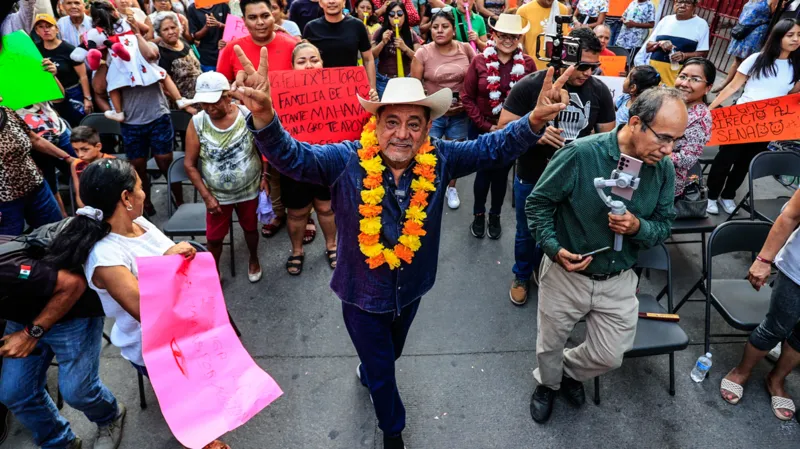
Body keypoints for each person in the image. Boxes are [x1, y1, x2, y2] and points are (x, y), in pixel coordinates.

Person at [231, 41, 572, 449]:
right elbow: (294, 158)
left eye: (414, 123)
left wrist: (533, 121)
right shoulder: (346, 159)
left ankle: (372, 370)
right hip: (361, 292)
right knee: (382, 370)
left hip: (411, 289)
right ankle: (393, 429)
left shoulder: (441, 157)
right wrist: (266, 119)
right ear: (376, 125)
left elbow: (491, 147)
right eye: (392, 122)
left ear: (428, 129)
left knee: (389, 354)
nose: (402, 134)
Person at [44, 159, 232, 449]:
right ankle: (201, 438)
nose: (145, 193)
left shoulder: (138, 221)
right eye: (141, 187)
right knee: (185, 397)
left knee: (198, 385)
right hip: (157, 348)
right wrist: (170, 257)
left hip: (185, 327)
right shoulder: (106, 258)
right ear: (125, 197)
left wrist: (173, 256)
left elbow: (167, 258)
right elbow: (149, 312)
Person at [526, 87, 682, 424]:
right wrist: (554, 249)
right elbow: (538, 204)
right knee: (549, 343)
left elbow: (665, 225)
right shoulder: (580, 154)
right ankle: (548, 384)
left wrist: (638, 227)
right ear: (637, 122)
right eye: (665, 138)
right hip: (566, 274)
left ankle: (566, 374)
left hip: (619, 279)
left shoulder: (663, 169)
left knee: (610, 355)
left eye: (676, 140)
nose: (670, 149)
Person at [499, 25, 615, 305]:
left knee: (563, 230)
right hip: (532, 175)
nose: (588, 73)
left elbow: (608, 137)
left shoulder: (599, 90)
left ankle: (547, 272)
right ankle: (522, 274)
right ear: (564, 57)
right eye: (583, 66)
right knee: (527, 231)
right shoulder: (529, 85)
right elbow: (501, 128)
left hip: (577, 179)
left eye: (594, 67)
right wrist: (534, 132)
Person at [0, 221, 124, 449]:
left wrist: (30, 335)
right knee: (15, 393)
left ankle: (110, 416)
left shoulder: (5, 266)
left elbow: (73, 284)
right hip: (22, 317)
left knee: (78, 391)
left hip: (70, 311)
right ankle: (60, 442)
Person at [719, 187, 800, 422]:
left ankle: (776, 379)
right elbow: (790, 215)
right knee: (777, 326)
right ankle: (741, 371)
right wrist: (764, 259)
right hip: (797, 272)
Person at [707, 18, 800, 215]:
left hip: (767, 123)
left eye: (799, 35)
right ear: (778, 36)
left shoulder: (796, 66)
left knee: (745, 163)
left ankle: (728, 196)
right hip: (742, 117)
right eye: (790, 35)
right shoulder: (757, 59)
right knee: (725, 159)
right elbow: (733, 86)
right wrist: (711, 109)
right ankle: (711, 196)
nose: (795, 39)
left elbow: (791, 95)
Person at [183, 72, 265, 282]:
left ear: (227, 96)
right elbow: (189, 164)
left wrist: (265, 176)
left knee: (250, 228)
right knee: (214, 237)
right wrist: (206, 196)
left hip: (249, 189)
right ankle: (214, 270)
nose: (209, 108)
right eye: (204, 103)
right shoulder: (198, 122)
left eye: (214, 102)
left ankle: (253, 259)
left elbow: (264, 148)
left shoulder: (247, 114)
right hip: (217, 194)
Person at [462, 14, 536, 239]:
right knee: (483, 173)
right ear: (494, 35)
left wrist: (513, 127)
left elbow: (532, 101)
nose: (507, 40)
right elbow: (467, 97)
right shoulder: (480, 61)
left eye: (513, 36)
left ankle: (495, 215)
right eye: (503, 35)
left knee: (501, 175)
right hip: (482, 128)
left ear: (519, 38)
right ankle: (478, 214)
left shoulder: (528, 64)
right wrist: (486, 126)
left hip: (511, 131)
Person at [279, 42, 345, 275]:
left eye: (314, 60)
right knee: (297, 212)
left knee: (327, 209)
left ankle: (332, 246)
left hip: (327, 163)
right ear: (292, 66)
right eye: (302, 61)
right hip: (294, 165)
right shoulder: (280, 93)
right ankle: (297, 251)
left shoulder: (340, 89)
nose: (309, 66)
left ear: (322, 62)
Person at [412, 10, 476, 209]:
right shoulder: (422, 53)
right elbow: (413, 85)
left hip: (460, 115)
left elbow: (478, 76)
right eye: (435, 27)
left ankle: (451, 187)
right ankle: (428, 187)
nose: (439, 30)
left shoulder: (465, 49)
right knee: (428, 152)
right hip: (434, 115)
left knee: (454, 154)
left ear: (454, 30)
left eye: (445, 26)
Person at [303, 0, 378, 89]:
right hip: (319, 90)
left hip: (350, 88)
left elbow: (368, 59)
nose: (331, 1)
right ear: (320, 3)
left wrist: (372, 88)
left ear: (344, 2)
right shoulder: (311, 28)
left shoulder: (357, 25)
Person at [34, 13, 92, 127]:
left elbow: (83, 76)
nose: (46, 30)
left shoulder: (68, 49)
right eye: (41, 27)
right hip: (50, 95)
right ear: (36, 31)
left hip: (72, 92)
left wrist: (87, 98)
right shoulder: (35, 50)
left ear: (57, 29)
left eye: (49, 26)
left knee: (80, 125)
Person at [217, 0, 297, 81]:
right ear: (244, 21)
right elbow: (222, 87)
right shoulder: (231, 49)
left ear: (272, 16)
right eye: (252, 18)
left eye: (265, 16)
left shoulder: (294, 46)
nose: (260, 22)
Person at [713, 0, 779, 94]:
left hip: (756, 32)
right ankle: (726, 82)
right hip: (743, 30)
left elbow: (773, 15)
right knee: (737, 59)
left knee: (747, 62)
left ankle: (733, 87)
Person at [672, 58, 714, 197]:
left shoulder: (700, 118)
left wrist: (653, 151)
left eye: (695, 79)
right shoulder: (671, 103)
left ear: (708, 88)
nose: (684, 84)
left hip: (666, 180)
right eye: (682, 77)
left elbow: (687, 159)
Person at [644, 0, 709, 86]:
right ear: (674, 4)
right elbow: (648, 48)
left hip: (676, 79)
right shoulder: (665, 20)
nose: (682, 5)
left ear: (694, 6)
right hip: (653, 77)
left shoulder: (701, 24)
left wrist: (684, 55)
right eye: (679, 2)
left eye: (687, 3)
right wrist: (660, 43)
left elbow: (703, 53)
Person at [371, 1, 422, 97]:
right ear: (387, 17)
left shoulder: (411, 34)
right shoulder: (379, 32)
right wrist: (382, 43)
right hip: (384, 81)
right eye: (391, 14)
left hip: (406, 80)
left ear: (404, 16)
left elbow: (419, 59)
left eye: (399, 13)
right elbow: (371, 56)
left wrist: (405, 48)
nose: (396, 16)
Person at [154, 10, 203, 106]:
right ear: (159, 33)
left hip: (200, 98)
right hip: (185, 105)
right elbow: (165, 87)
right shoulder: (162, 54)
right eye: (165, 29)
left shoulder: (183, 41)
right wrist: (185, 106)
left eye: (173, 27)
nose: (171, 32)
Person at [70, 126, 116, 208]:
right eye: (76, 150)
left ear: (98, 146)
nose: (80, 155)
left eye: (85, 150)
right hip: (88, 208)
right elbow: (79, 194)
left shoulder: (113, 163)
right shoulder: (76, 165)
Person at [516, 0, 569, 71]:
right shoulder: (524, 10)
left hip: (555, 68)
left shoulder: (563, 9)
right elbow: (519, 43)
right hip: (532, 68)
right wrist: (527, 64)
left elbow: (564, 38)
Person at [187, 0, 231, 72]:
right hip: (208, 58)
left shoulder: (222, 5)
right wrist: (206, 27)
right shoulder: (192, 8)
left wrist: (218, 24)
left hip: (225, 54)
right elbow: (195, 36)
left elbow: (232, 27)